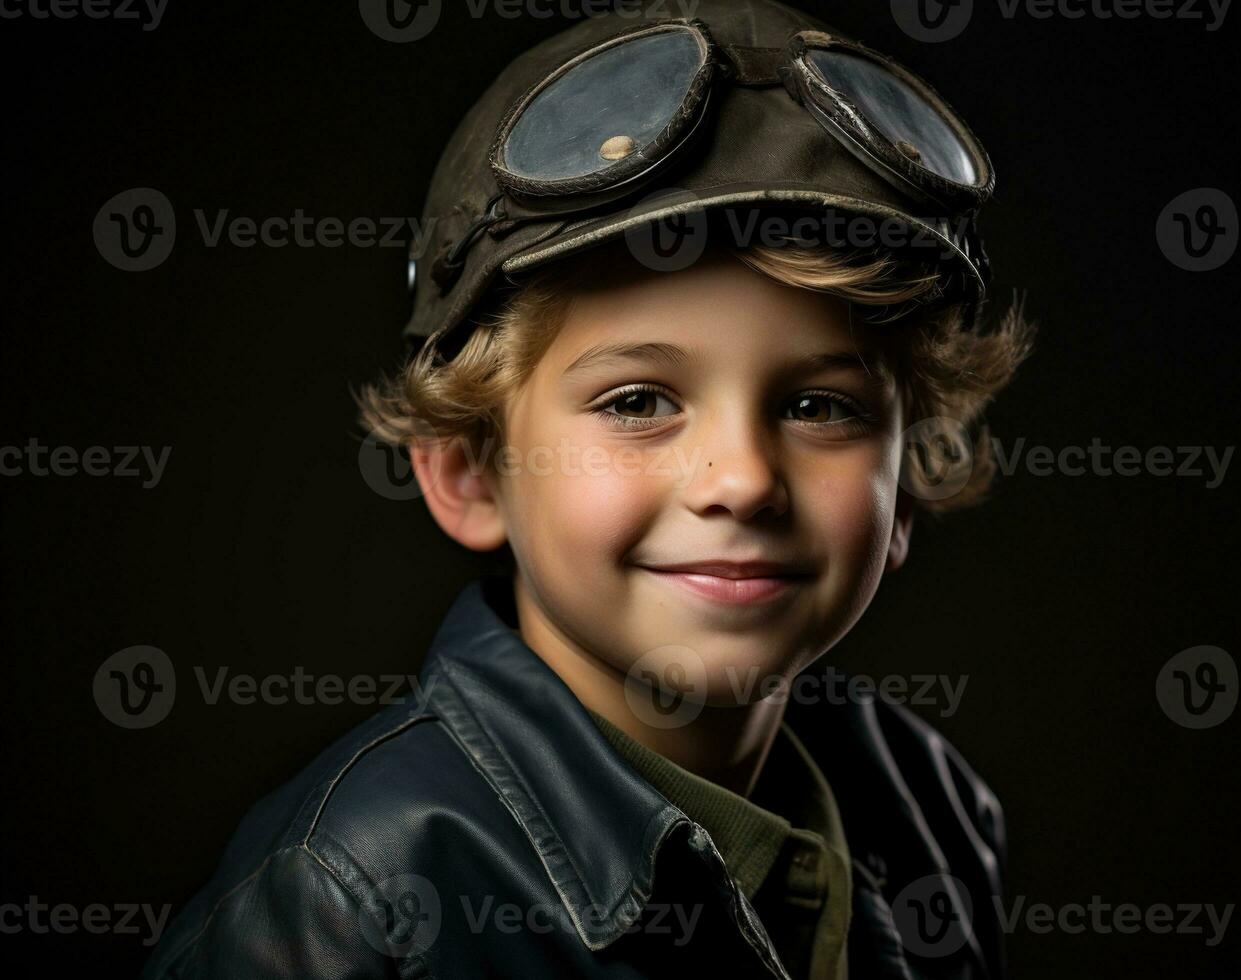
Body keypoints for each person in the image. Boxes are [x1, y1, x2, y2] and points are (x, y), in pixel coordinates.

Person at [140, 1, 1033, 976]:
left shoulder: (929, 808)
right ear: (469, 469)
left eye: (820, 407)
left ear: (905, 484)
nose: (740, 479)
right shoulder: (346, 900)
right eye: (639, 398)